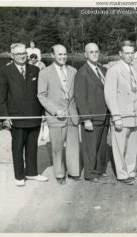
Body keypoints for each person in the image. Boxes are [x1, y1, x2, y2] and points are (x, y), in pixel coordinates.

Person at [0, 43, 48, 186]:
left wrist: (42, 114)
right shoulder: (5, 71)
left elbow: (40, 94)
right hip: (16, 116)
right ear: (12, 55)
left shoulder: (35, 70)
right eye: (18, 54)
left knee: (32, 146)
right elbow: (1, 98)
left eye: (23, 53)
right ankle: (19, 176)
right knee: (18, 147)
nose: (21, 56)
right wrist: (5, 117)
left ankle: (32, 173)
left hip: (34, 115)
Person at [37, 44, 81, 185]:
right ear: (52, 55)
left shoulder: (73, 71)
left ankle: (74, 172)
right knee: (57, 147)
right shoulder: (44, 73)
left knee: (74, 145)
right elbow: (42, 96)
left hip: (72, 114)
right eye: (59, 54)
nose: (63, 57)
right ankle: (60, 173)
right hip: (56, 116)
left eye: (65, 54)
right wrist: (55, 111)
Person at [104, 40, 137, 185]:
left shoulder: (135, 70)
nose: (129, 55)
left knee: (132, 148)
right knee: (119, 147)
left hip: (135, 117)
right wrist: (116, 117)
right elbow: (110, 95)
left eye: (132, 53)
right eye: (126, 53)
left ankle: (131, 171)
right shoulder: (113, 70)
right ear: (120, 54)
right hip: (121, 117)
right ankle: (122, 175)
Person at [74, 43, 110, 184]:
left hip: (105, 115)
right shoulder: (82, 73)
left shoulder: (102, 69)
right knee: (90, 147)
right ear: (85, 54)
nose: (94, 54)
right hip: (92, 117)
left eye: (96, 51)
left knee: (101, 146)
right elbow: (80, 98)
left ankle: (100, 170)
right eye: (91, 52)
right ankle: (90, 174)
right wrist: (86, 119)